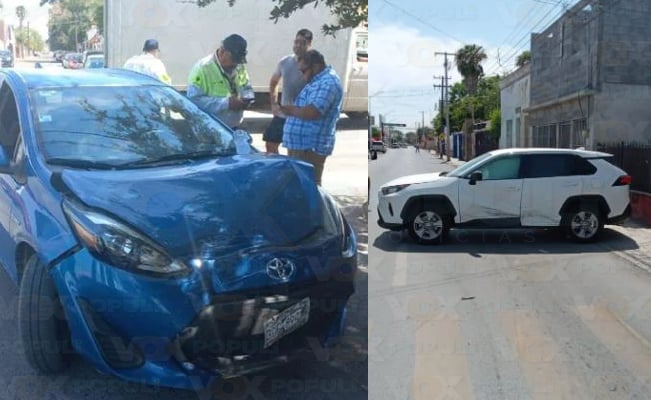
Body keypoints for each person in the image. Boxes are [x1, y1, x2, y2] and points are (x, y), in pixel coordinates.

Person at [280, 50, 343, 186]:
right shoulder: (319, 81)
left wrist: (290, 110)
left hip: (309, 147)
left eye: (303, 71)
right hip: (302, 146)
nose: (302, 76)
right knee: (298, 187)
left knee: (308, 188)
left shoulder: (328, 83)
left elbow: (312, 112)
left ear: (315, 66)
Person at [187, 34, 254, 129]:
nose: (235, 64)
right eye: (233, 60)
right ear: (222, 52)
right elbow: (193, 101)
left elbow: (246, 86)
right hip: (209, 129)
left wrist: (248, 98)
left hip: (234, 127)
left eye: (237, 61)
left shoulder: (239, 66)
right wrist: (226, 103)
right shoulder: (202, 69)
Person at [263, 29, 313, 154]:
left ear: (309, 44)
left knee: (296, 151)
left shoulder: (313, 64)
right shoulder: (285, 62)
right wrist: (274, 104)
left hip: (302, 116)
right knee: (270, 143)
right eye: (296, 42)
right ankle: (278, 169)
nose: (298, 46)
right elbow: (274, 82)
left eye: (303, 43)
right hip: (284, 114)